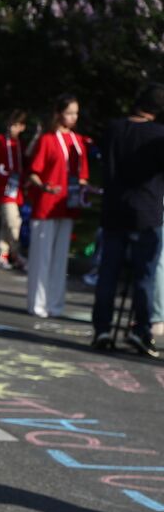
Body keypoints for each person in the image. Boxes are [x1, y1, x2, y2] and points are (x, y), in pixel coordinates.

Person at [90, 84, 164, 358]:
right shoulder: (158, 135)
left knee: (108, 272)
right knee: (144, 275)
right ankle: (141, 329)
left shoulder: (113, 129)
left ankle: (102, 328)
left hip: (114, 208)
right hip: (146, 210)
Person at [24, 93, 90, 318]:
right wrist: (44, 187)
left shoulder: (79, 141)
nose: (73, 118)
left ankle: (55, 303)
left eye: (75, 114)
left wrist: (83, 189)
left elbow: (82, 174)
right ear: (59, 113)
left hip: (68, 203)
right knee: (41, 256)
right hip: (47, 204)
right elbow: (34, 172)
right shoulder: (48, 139)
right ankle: (37, 303)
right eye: (69, 113)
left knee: (61, 257)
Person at [0, 110, 28, 270]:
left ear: (22, 127)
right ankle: (16, 253)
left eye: (15, 125)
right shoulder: (0, 140)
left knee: (6, 223)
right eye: (10, 125)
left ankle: (2, 254)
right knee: (13, 221)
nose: (11, 128)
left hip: (15, 188)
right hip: (3, 188)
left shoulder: (20, 145)